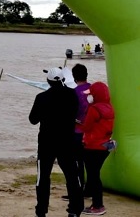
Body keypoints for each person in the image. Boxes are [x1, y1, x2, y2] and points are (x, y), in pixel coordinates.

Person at [29, 67, 84, 217]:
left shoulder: (41, 97)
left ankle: (41, 211)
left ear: (48, 81)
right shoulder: (72, 95)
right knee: (72, 176)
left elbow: (33, 120)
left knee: (43, 177)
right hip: (67, 141)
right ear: (63, 80)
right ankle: (75, 208)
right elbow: (74, 111)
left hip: (47, 143)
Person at [81, 82, 115, 216]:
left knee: (94, 176)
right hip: (105, 146)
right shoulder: (110, 108)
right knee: (94, 174)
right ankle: (90, 195)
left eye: (91, 94)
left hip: (92, 146)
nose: (89, 97)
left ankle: (98, 206)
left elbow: (86, 128)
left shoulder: (94, 109)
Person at [62, 64, 92, 201]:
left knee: (76, 163)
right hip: (92, 132)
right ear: (86, 74)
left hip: (77, 132)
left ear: (73, 77)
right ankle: (90, 189)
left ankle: (77, 190)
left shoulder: (74, 93)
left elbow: (69, 114)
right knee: (90, 163)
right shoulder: (94, 90)